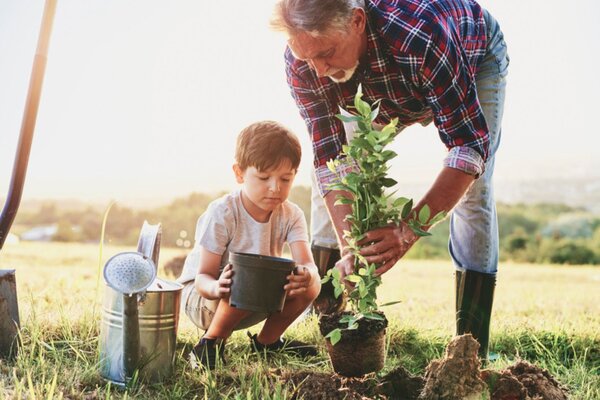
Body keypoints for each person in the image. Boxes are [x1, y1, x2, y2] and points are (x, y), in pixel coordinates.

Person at [272, 0, 509, 359]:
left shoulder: (420, 34)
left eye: (326, 53)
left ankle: (470, 348)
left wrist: (407, 229)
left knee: (475, 189)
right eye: (307, 59)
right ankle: (325, 319)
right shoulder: (305, 62)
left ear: (356, 21)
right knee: (338, 177)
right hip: (382, 85)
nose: (318, 72)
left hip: (470, 58)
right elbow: (330, 158)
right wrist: (352, 245)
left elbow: (468, 147)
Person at [176, 121, 321, 369]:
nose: (275, 188)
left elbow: (308, 263)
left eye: (285, 179)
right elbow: (202, 278)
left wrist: (307, 275)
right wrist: (217, 287)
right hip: (205, 299)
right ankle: (209, 345)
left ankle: (267, 343)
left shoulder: (292, 214)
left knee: (313, 282)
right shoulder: (223, 212)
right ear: (239, 173)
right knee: (246, 275)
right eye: (264, 177)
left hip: (255, 295)